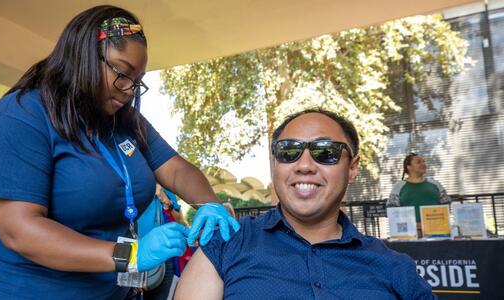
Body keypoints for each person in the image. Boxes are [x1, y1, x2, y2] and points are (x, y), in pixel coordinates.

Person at [0, 6, 239, 299]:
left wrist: (209, 204)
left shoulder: (124, 120)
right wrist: (129, 254)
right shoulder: (20, 116)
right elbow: (20, 232)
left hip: (106, 291)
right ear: (83, 57)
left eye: (137, 80)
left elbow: (175, 168)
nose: (129, 90)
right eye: (122, 73)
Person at [174, 109, 435, 299]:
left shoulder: (394, 268)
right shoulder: (228, 244)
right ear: (276, 164)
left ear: (353, 169)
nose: (305, 165)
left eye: (325, 152)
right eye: (289, 151)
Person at [388, 153, 450, 230]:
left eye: (423, 161)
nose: (423, 164)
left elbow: (446, 204)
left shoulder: (435, 184)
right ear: (409, 167)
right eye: (418, 162)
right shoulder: (398, 186)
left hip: (436, 230)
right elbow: (392, 209)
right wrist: (412, 224)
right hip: (409, 232)